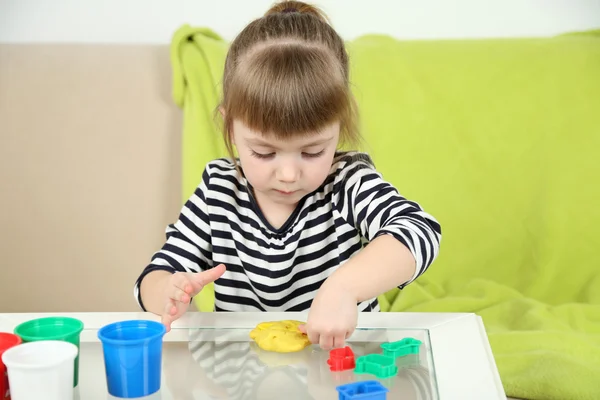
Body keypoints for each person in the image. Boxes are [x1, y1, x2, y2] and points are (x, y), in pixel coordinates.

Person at [134, 0, 441, 351]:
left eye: (312, 152)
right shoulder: (218, 192)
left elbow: (419, 230)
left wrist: (344, 287)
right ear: (230, 128)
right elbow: (154, 277)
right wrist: (168, 293)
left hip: (339, 369)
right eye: (264, 153)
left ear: (338, 128)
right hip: (242, 376)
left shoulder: (347, 182)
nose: (289, 174)